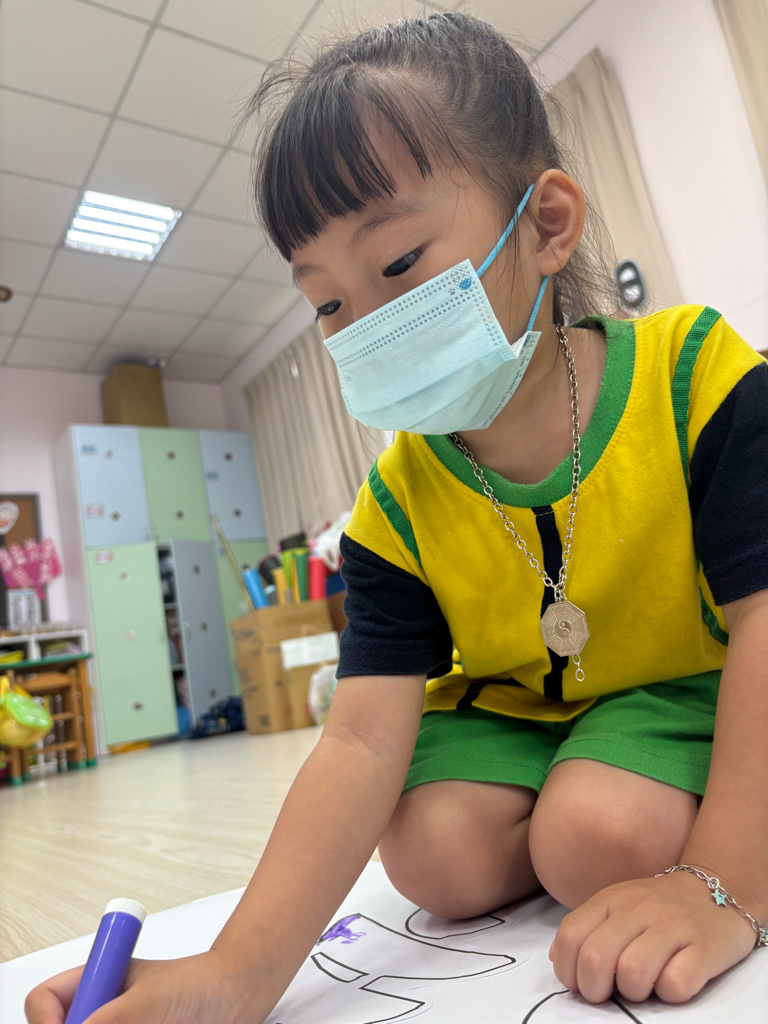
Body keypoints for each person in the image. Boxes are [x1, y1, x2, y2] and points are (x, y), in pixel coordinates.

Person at [27, 12, 768, 1024]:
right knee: (432, 851)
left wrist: (722, 882)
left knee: (596, 835)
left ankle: (616, 802)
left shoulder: (699, 384)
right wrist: (237, 970)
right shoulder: (394, 504)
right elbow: (362, 741)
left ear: (547, 225)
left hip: (674, 688)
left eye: (398, 264)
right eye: (328, 304)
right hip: (513, 710)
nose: (366, 327)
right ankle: (581, 791)